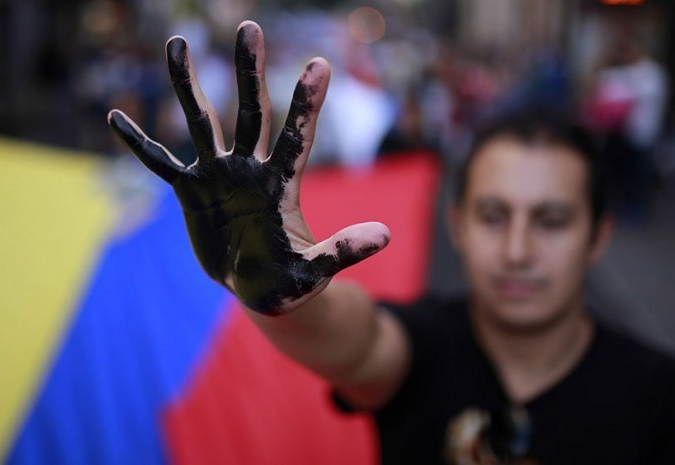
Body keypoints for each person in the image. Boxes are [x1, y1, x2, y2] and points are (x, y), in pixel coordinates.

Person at [107, 21, 675, 465]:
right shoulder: (422, 346)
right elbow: (353, 338)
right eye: (493, 217)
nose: (517, 249)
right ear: (456, 224)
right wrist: (281, 295)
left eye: (550, 220)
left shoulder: (657, 394)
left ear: (599, 236)